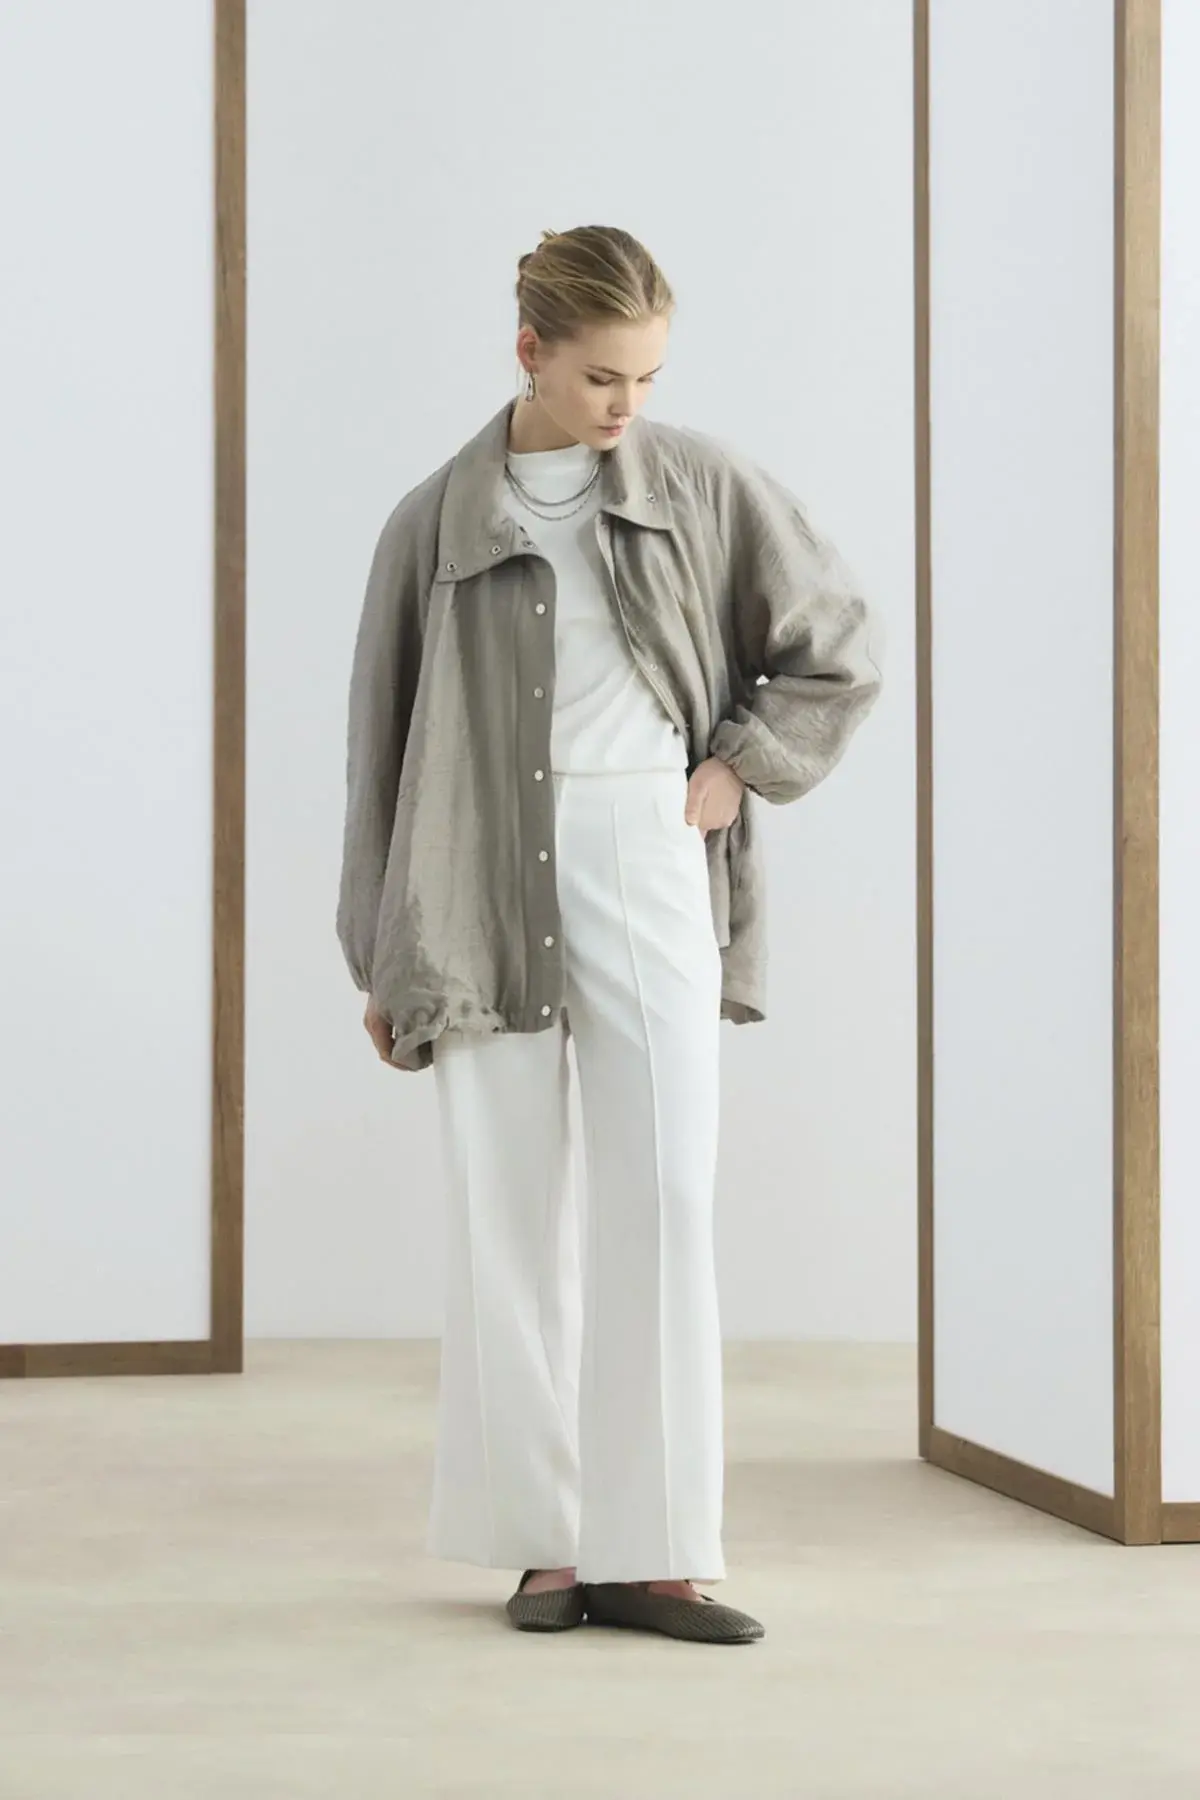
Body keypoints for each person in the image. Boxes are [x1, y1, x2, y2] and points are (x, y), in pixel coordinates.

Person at [336, 225, 882, 1644]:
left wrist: (739, 764)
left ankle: (657, 1549)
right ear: (529, 351)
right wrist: (381, 952)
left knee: (666, 1193)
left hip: (646, 852)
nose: (626, 404)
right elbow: (380, 754)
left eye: (646, 377)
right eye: (599, 377)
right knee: (505, 1211)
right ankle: (547, 1546)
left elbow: (836, 644)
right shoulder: (434, 522)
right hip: (471, 877)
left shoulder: (698, 485)